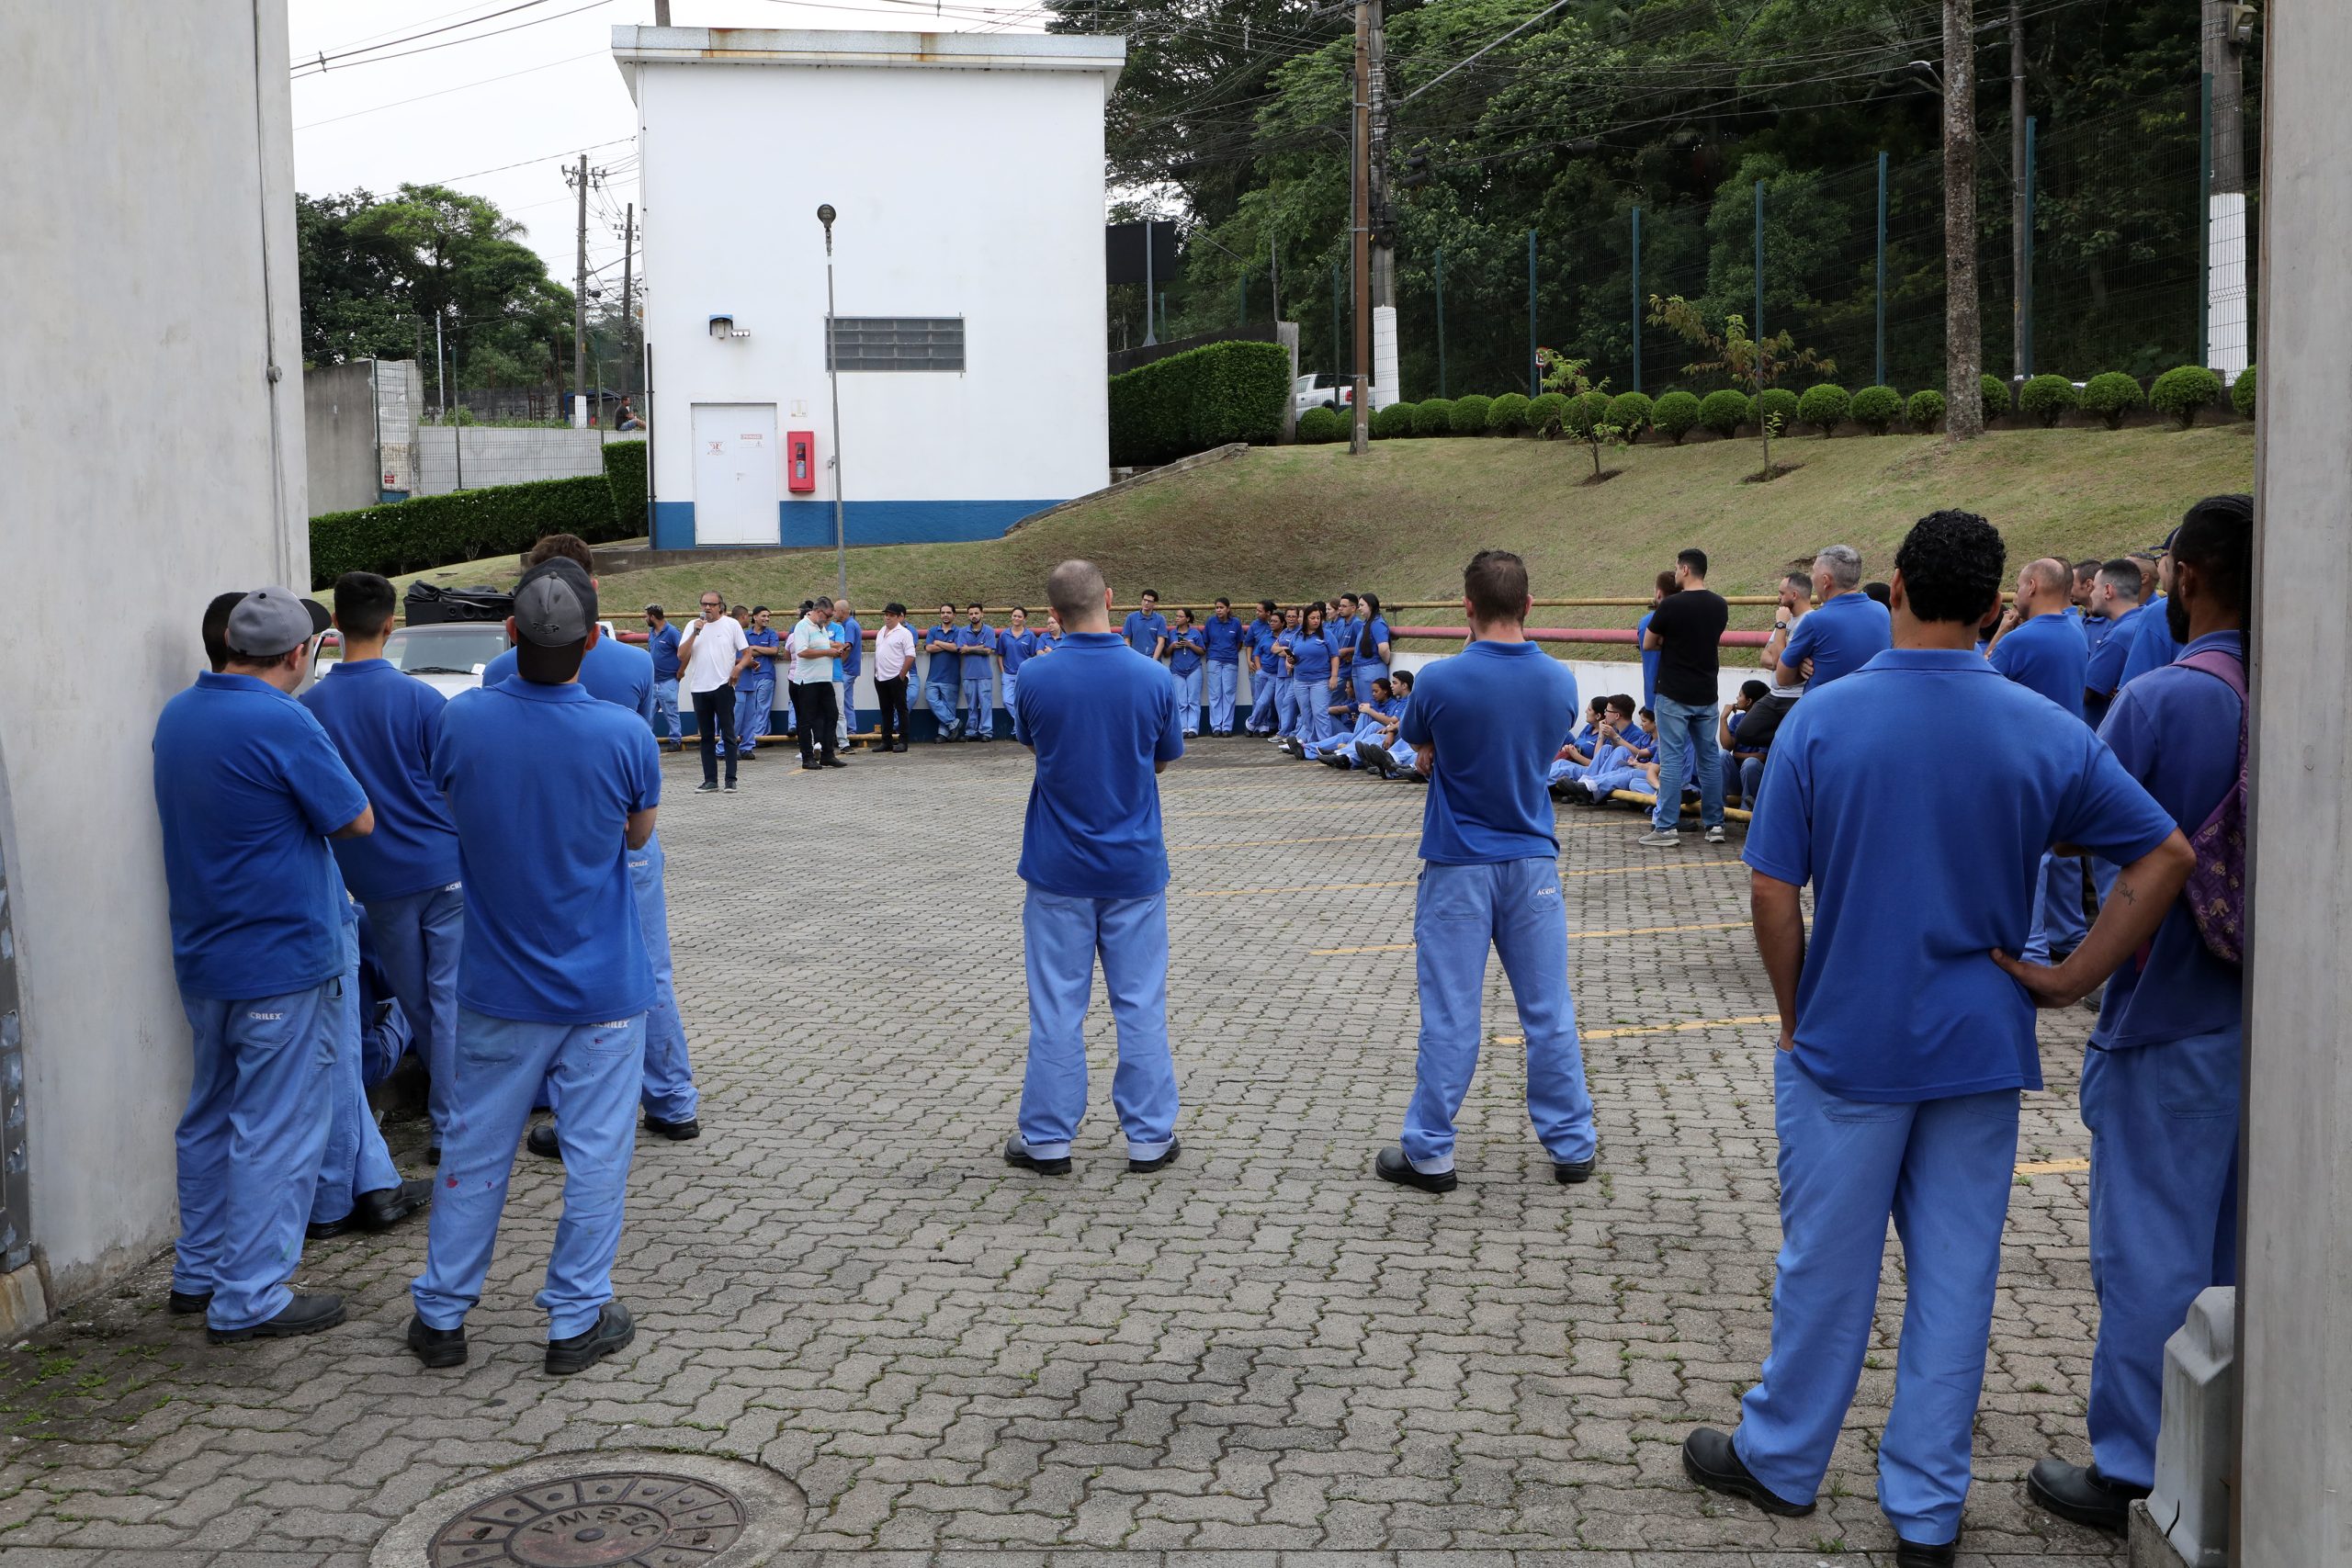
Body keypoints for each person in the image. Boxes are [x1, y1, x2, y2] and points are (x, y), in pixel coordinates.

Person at [1682, 509, 2190, 1567]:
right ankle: (1926, 1509)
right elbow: (2165, 856)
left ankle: (1781, 1458)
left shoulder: (1818, 719)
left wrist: (1790, 1012)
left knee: (1825, 1262)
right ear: (1994, 608)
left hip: (1848, 1038)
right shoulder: (2042, 727)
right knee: (1955, 1279)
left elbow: (1774, 891)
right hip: (1980, 1039)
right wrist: (2068, 980)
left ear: (1894, 591)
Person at [2006, 495, 2253, 1535]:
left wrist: (2065, 978)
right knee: (2243, 1255)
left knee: (2151, 1253)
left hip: (2169, 1016)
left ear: (2183, 577)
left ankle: (2137, 1470)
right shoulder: (2304, 684)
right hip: (2274, 1030)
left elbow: (2069, 826)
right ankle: (2240, 1452)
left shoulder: (2168, 697)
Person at [407, 558, 661, 1376]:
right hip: (604, 990)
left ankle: (442, 1315)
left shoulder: (463, 722)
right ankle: (574, 1319)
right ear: (593, 641)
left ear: (508, 635)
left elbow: (451, 798)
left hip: (498, 987)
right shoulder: (624, 733)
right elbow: (638, 835)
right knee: (595, 1155)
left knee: (476, 1148)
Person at [154, 586, 373, 1343]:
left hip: (205, 953)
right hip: (279, 956)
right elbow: (355, 816)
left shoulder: (179, 714)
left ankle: (200, 1271)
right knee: (275, 1127)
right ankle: (250, 1296)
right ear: (297, 654)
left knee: (211, 1112)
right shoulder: (283, 717)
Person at [1375, 550, 1597, 1194]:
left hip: (1459, 862)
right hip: (1532, 861)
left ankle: (1432, 1153)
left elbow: (1417, 735)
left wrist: (1437, 751)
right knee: (1548, 1009)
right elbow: (1542, 744)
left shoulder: (1440, 680)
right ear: (1530, 605)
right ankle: (1572, 1144)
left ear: (1465, 607)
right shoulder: (1559, 681)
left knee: (1451, 1014)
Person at [484, 537, 696, 1160]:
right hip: (626, 841)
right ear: (593, 589)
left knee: (559, 973)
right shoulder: (632, 666)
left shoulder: (503, 671)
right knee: (650, 966)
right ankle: (673, 1099)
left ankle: (571, 1104)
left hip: (546, 845)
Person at [1003, 559, 1184, 1178]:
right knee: (1139, 1004)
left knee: (1056, 1006)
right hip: (1133, 867)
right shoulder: (1154, 676)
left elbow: (1036, 746)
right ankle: (1150, 1138)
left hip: (1058, 868)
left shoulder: (1033, 676)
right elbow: (1161, 761)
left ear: (1052, 614)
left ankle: (1048, 1140)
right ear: (1111, 598)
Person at [299, 570, 467, 1169]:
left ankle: (450, 1122)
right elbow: (455, 786)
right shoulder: (423, 699)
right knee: (447, 1001)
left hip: (378, 882)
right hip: (447, 869)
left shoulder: (310, 709)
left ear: (336, 624)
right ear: (391, 626)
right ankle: (453, 1128)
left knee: (421, 1003)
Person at [1987, 558, 2094, 966]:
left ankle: (2030, 953)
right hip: (2069, 754)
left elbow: (1979, 680)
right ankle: (2069, 936)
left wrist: (1999, 632)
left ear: (2032, 586)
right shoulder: (2075, 628)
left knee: (2032, 855)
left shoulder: (2020, 640)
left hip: (2025, 759)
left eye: (2018, 584)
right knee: (2062, 851)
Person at [1639, 548, 1729, 847]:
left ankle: (1665, 828)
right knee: (1709, 760)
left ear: (1686, 570)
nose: (1675, 572)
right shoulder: (1720, 605)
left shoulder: (1672, 605)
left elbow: (1649, 642)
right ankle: (1715, 825)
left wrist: (1670, 640)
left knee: (1673, 758)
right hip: (1707, 692)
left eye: (1677, 567)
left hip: (1674, 692)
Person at [1778, 545, 1891, 696]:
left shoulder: (1815, 621)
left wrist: (1800, 667)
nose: (1811, 578)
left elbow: (1782, 677)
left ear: (1825, 581)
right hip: (1871, 705)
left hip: (1824, 711)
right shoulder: (1881, 611)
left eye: (1813, 572)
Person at [677, 590, 749, 792]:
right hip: (699, 688)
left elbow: (747, 653)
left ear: (720, 607)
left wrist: (738, 668)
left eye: (711, 604)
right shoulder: (693, 625)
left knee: (728, 733)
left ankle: (731, 780)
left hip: (723, 686)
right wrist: (694, 633)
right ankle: (710, 780)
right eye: (703, 604)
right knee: (706, 736)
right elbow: (681, 654)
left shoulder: (731, 625)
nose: (707, 608)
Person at [1743, 571, 1815, 750]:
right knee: (1745, 731)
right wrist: (1791, 662)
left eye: (1782, 593)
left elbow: (1781, 664)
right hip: (1775, 694)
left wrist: (1781, 626)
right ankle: (1787, 742)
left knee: (1794, 736)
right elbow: (1766, 658)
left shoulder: (1809, 621)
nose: (1779, 597)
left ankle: (1791, 745)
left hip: (1796, 696)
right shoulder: (1787, 619)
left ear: (1794, 595)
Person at [2083, 558, 2148, 727]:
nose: (2091, 594)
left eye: (2094, 588)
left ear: (2107, 591)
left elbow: (2085, 692)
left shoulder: (2118, 635)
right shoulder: (2146, 619)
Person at [787, 598, 850, 771]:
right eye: (829, 615)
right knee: (806, 720)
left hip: (824, 680)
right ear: (820, 612)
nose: (829, 619)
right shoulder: (803, 626)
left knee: (832, 714)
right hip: (807, 681)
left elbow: (822, 646)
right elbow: (802, 652)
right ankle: (807, 757)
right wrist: (827, 652)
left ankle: (827, 754)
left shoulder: (821, 628)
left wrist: (835, 650)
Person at [1287, 604, 1340, 750]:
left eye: (1318, 618)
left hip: (1320, 681)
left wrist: (1334, 676)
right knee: (1306, 714)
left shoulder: (1327, 635)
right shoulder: (1297, 636)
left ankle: (1325, 745)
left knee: (1320, 713)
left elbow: (1335, 656)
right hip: (1300, 681)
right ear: (1305, 620)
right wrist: (1290, 661)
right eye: (1312, 618)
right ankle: (1311, 743)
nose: (1316, 621)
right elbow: (1291, 654)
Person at [1719, 680, 1772, 808]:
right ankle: (1718, 807)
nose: (1737, 698)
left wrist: (1737, 754)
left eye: (1740, 695)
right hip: (1737, 780)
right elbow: (1727, 747)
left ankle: (1746, 809)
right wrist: (1723, 719)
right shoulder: (1737, 719)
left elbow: (1761, 757)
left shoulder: (1767, 722)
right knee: (1722, 755)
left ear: (1749, 701)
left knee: (1751, 763)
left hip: (1755, 779)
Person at [736, 607, 781, 757]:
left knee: (763, 706)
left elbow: (774, 651)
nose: (767, 619)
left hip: (766, 675)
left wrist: (753, 648)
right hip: (749, 676)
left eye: (768, 616)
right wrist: (762, 650)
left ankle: (758, 737)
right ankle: (751, 737)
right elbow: (744, 652)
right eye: (764, 616)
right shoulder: (745, 633)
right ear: (754, 617)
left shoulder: (772, 633)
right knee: (749, 709)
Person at [873, 602, 916, 752]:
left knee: (901, 709)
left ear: (899, 617)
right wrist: (876, 673)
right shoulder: (881, 631)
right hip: (881, 677)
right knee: (885, 710)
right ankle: (887, 741)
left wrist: (901, 676)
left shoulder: (905, 633)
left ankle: (903, 741)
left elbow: (910, 656)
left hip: (896, 677)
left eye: (891, 615)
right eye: (886, 615)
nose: (887, 618)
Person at [1202, 598, 1245, 736]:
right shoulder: (1210, 622)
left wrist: (1229, 652)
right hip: (1214, 659)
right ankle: (1215, 727)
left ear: (1228, 608)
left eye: (1221, 607)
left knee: (1228, 693)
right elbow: (1206, 642)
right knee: (1215, 694)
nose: (1219, 610)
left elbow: (1239, 643)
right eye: (1216, 607)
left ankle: (1227, 727)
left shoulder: (1236, 623)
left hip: (1231, 660)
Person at [956, 603, 998, 740]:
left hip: (985, 675)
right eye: (971, 614)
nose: (974, 616)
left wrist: (970, 649)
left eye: (976, 613)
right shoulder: (963, 631)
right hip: (968, 674)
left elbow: (988, 651)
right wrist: (979, 647)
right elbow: (961, 650)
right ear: (968, 615)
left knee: (986, 705)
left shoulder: (989, 631)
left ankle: (986, 732)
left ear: (982, 614)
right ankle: (971, 732)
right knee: (971, 706)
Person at [998, 606, 1040, 742]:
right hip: (1008, 675)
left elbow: (1034, 656)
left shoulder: (1030, 636)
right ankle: (1024, 726)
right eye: (1014, 616)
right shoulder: (1004, 635)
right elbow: (1000, 655)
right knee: (1007, 700)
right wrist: (1003, 672)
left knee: (1024, 703)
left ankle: (1018, 730)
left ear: (1024, 619)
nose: (1016, 618)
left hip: (1024, 675)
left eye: (1019, 616)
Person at [922, 604, 963, 741]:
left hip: (951, 677)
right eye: (943, 612)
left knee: (948, 706)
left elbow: (956, 647)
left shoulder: (959, 631)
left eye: (949, 612)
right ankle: (953, 723)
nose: (945, 615)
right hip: (933, 676)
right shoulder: (933, 630)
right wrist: (947, 645)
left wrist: (938, 642)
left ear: (954, 615)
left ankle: (943, 734)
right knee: (931, 699)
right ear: (940, 614)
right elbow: (928, 648)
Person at [644, 604, 683, 750]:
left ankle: (676, 740)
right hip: (654, 680)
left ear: (652, 617)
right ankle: (647, 740)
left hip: (668, 680)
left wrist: (681, 671)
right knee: (647, 714)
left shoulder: (672, 632)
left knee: (671, 712)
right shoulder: (652, 632)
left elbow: (684, 652)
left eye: (646, 616)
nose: (645, 619)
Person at [1636, 570, 1675, 712]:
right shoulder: (1686, 619)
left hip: (1655, 697)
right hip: (1682, 698)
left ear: (1659, 594)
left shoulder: (1646, 622)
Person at [1244, 600, 1283, 736]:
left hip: (1276, 673)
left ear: (1268, 613)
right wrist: (1250, 662)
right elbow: (1251, 646)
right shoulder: (1257, 627)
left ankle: (1255, 724)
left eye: (1260, 611)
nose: (1257, 613)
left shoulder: (1283, 635)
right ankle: (1260, 726)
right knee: (1258, 699)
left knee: (1267, 701)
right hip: (1261, 669)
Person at [1167, 607, 1205, 737]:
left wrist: (1190, 645)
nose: (1177, 618)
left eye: (1180, 616)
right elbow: (1166, 654)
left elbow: (1202, 651)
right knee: (1181, 701)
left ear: (1187, 619)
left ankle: (1193, 729)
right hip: (1177, 670)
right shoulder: (1172, 634)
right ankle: (1183, 728)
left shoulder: (1195, 633)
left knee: (1193, 700)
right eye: (1176, 616)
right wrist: (1172, 646)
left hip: (1194, 669)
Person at [1351, 592, 1394, 708]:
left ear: (1370, 605)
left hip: (1371, 668)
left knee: (1370, 706)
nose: (1359, 608)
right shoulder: (1367, 623)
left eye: (1361, 605)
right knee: (1362, 706)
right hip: (1360, 668)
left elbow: (1384, 648)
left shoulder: (1378, 624)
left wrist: (1385, 661)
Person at [833, 599, 864, 752]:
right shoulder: (850, 624)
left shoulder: (849, 625)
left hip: (847, 670)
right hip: (851, 669)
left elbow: (847, 647)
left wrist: (839, 662)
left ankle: (847, 734)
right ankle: (851, 732)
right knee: (847, 702)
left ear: (842, 612)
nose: (833, 613)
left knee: (838, 702)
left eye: (835, 611)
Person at [1122, 589, 1170, 661]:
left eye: (1149, 601)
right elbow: (1126, 639)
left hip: (1153, 661)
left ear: (1154, 603)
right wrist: (1131, 657)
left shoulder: (1160, 619)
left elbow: (1161, 642)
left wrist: (1153, 661)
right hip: (1135, 659)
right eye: (1144, 600)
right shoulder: (1131, 617)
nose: (1146, 603)